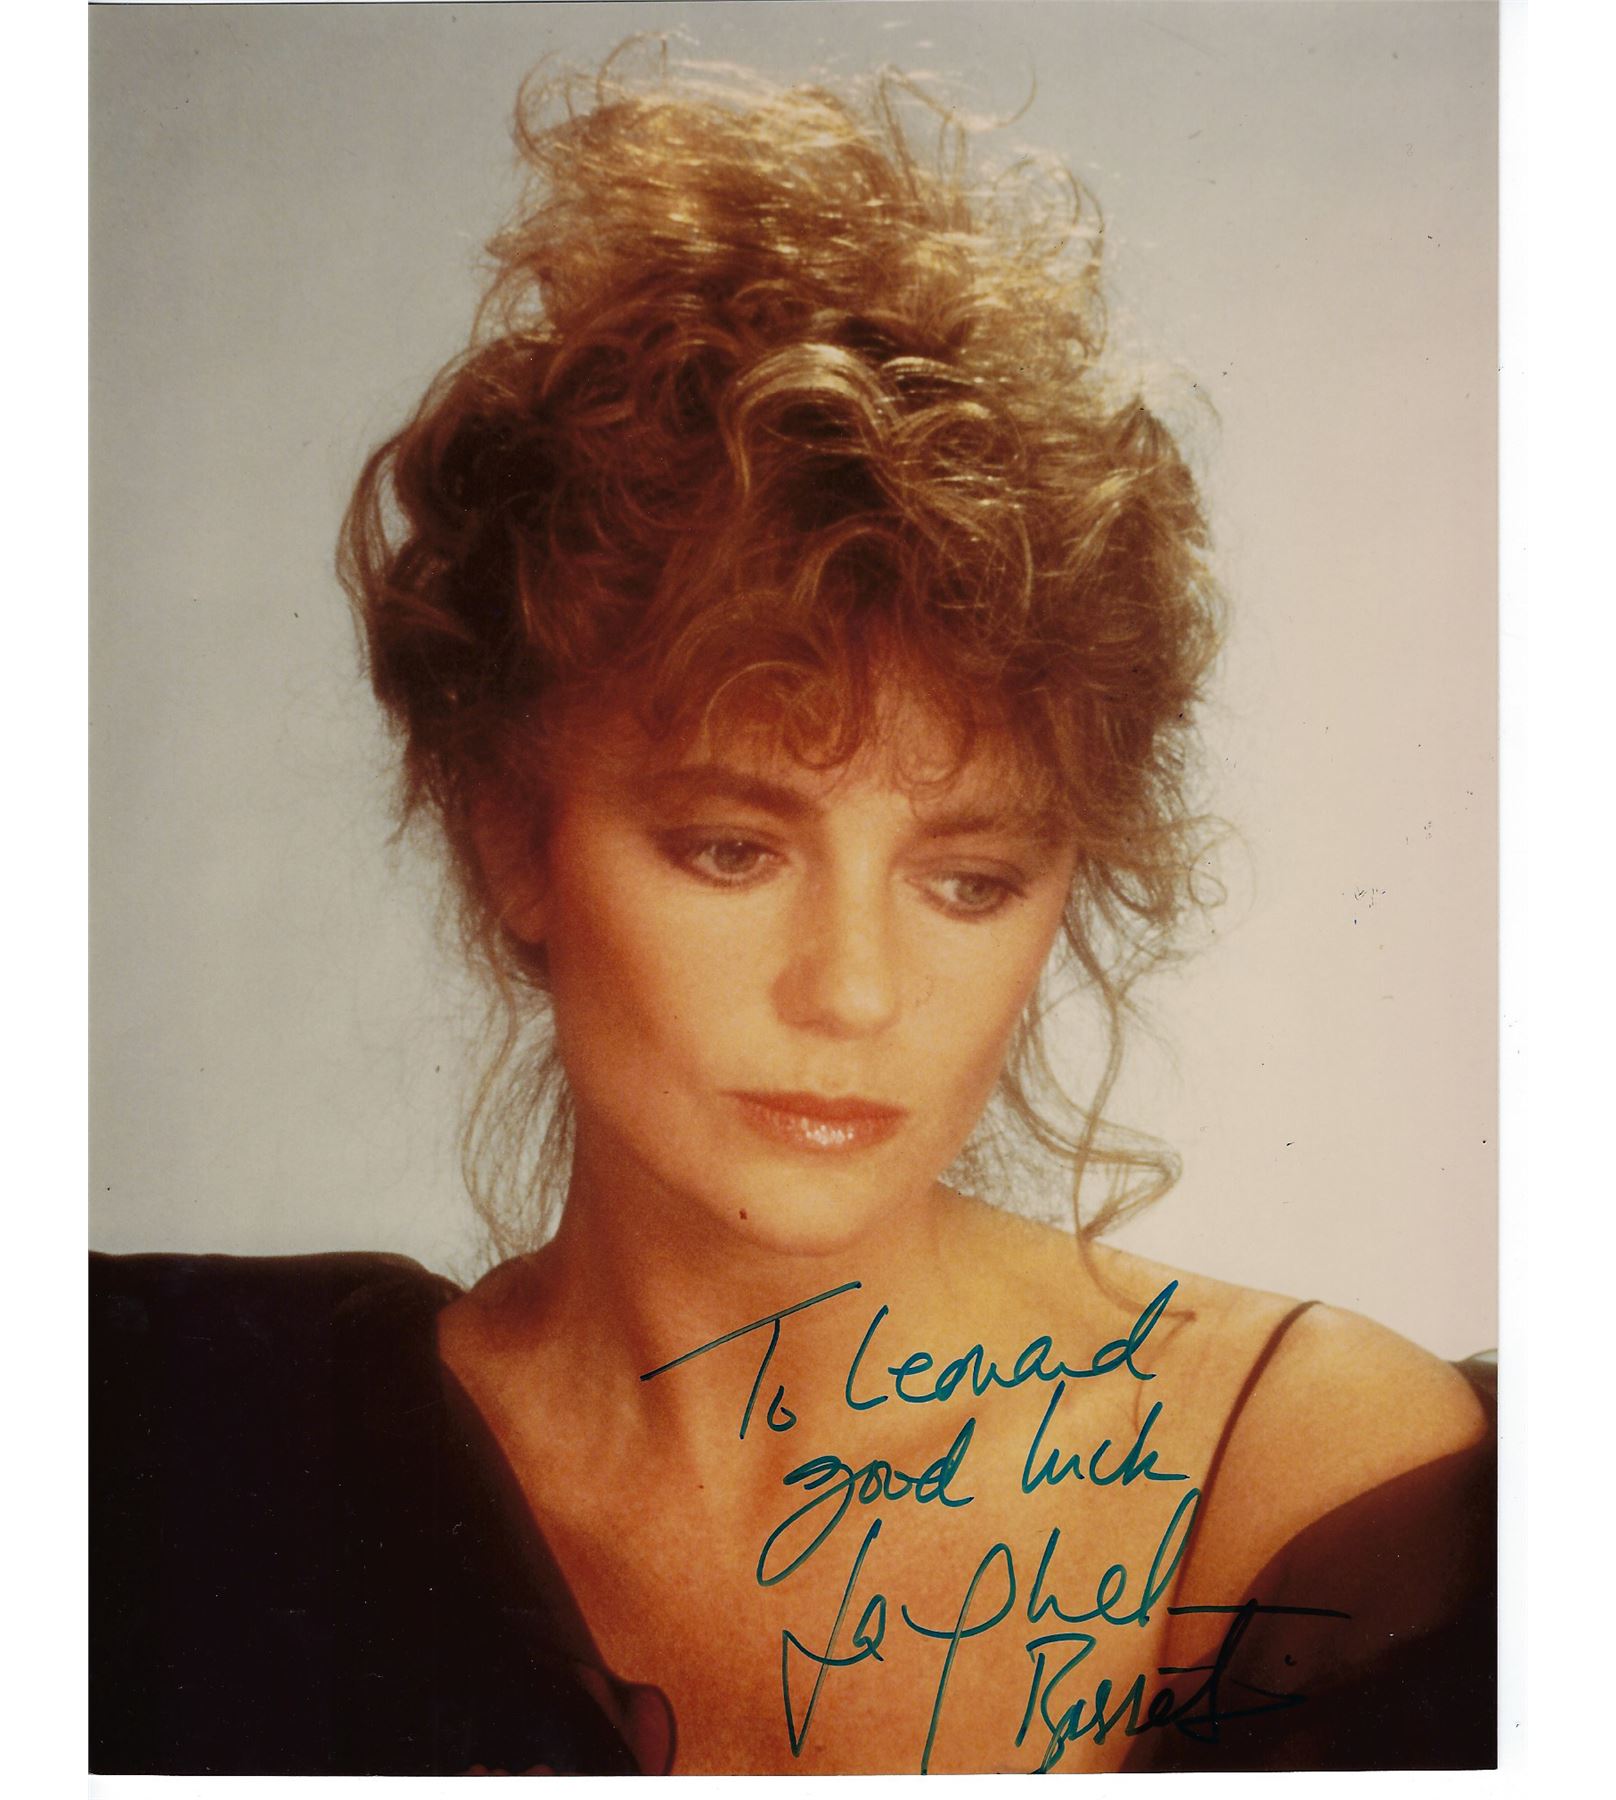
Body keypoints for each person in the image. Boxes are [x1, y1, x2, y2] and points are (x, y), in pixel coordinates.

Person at [89, 52, 1494, 1776]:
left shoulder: (1309, 1476)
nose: (856, 992)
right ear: (511, 837)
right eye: (730, 850)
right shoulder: (160, 1451)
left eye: (969, 881)